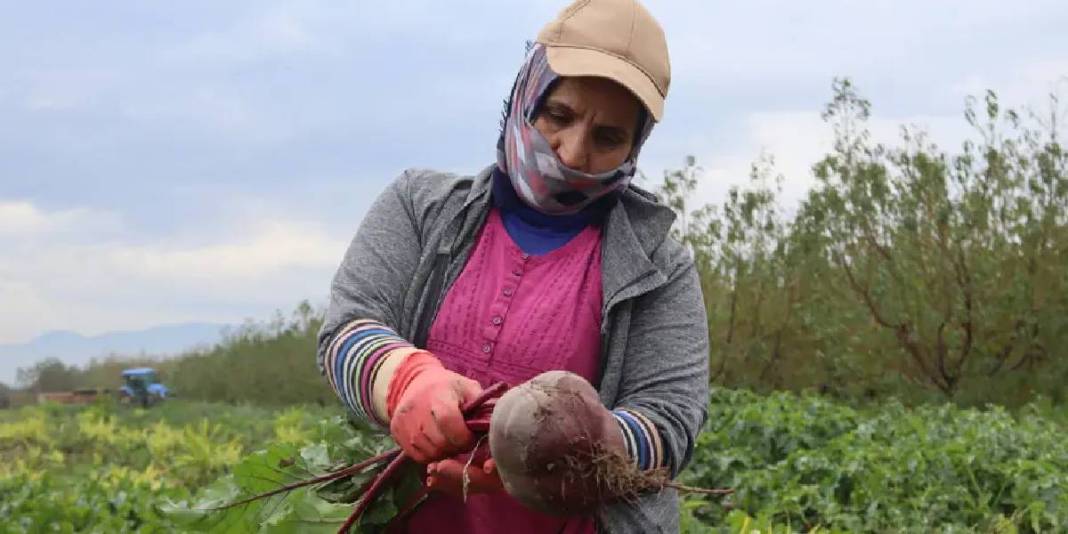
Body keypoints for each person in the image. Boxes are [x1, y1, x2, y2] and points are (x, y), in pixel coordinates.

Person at [317, 0, 710, 532]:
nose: (572, 153)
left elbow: (669, 421)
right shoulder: (418, 206)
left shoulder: (661, 267)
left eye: (608, 137)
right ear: (527, 95)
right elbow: (347, 329)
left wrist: (569, 454)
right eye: (560, 116)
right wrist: (405, 378)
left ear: (635, 145)